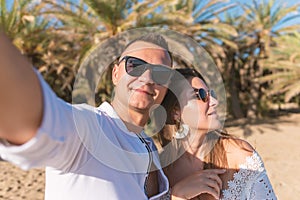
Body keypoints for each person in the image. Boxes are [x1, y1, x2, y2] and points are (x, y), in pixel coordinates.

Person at [0, 32, 176, 199]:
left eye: (160, 73)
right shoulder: (88, 126)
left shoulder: (148, 146)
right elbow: (32, 118)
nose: (147, 77)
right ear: (115, 74)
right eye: (135, 65)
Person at [157, 68, 277, 200]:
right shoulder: (160, 171)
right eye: (201, 95)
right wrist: (177, 194)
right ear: (176, 112)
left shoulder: (240, 156)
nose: (214, 102)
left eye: (211, 94)